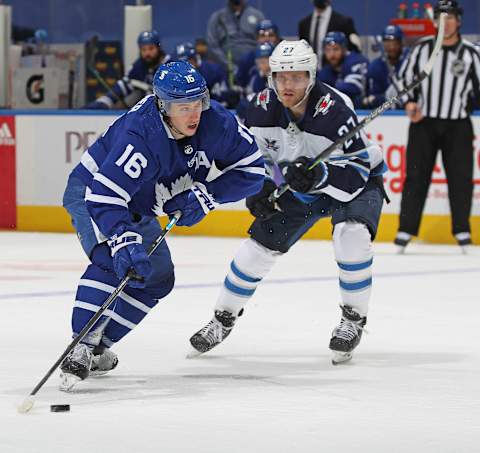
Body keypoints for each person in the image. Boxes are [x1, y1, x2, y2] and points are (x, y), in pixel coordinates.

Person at [60, 61, 265, 391]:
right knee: (112, 260)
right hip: (94, 193)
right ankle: (81, 345)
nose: (193, 114)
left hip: (139, 203)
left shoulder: (217, 123)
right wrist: (123, 240)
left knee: (156, 279)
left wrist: (209, 195)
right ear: (162, 105)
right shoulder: (142, 134)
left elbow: (255, 171)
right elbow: (105, 197)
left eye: (197, 102)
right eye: (183, 107)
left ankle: (99, 347)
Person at [188, 39, 387, 365]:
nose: (287, 85)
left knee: (350, 236)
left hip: (353, 184)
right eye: (281, 77)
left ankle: (353, 319)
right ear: (271, 77)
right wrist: (261, 189)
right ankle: (222, 319)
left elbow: (355, 173)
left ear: (311, 76)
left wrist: (320, 175)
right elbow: (252, 160)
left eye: (296, 77)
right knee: (257, 248)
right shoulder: (260, 108)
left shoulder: (335, 110)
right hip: (301, 188)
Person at [393, 0, 480, 253]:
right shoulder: (422, 49)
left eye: (451, 16)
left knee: (461, 179)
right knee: (416, 177)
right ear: (435, 22)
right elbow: (402, 80)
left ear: (459, 21)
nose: (446, 22)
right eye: (441, 17)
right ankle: (405, 231)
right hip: (424, 125)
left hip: (458, 126)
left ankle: (462, 231)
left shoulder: (471, 54)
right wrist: (409, 103)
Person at [87, 30, 170, 109]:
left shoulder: (170, 66)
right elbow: (123, 85)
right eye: (143, 50)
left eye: (151, 49)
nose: (147, 53)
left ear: (158, 48)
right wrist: (105, 102)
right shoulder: (139, 66)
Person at [175, 41, 239, 108]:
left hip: (215, 110)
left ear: (194, 58)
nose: (185, 65)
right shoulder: (178, 75)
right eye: (181, 63)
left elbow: (221, 98)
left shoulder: (213, 70)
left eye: (187, 61)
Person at [206, 0, 264, 72]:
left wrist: (259, 64)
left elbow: (263, 43)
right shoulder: (217, 17)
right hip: (226, 69)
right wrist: (229, 66)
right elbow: (212, 46)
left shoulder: (258, 16)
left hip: (255, 67)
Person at [298, 0, 361, 67]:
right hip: (311, 72)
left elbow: (354, 50)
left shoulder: (344, 22)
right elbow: (303, 52)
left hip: (336, 72)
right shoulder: (304, 24)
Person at [318, 31, 369, 108]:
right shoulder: (326, 70)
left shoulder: (356, 61)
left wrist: (328, 91)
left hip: (364, 110)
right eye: (328, 50)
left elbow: (354, 87)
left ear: (344, 49)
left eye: (336, 49)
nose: (332, 54)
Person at [363, 25, 408, 108]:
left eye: (395, 43)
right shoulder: (375, 67)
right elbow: (373, 97)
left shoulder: (410, 61)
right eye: (388, 43)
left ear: (401, 43)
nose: (392, 47)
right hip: (384, 113)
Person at [236, 19, 281, 89]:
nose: (267, 39)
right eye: (262, 35)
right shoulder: (247, 59)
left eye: (271, 35)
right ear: (257, 39)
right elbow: (240, 84)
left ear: (277, 39)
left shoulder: (284, 58)